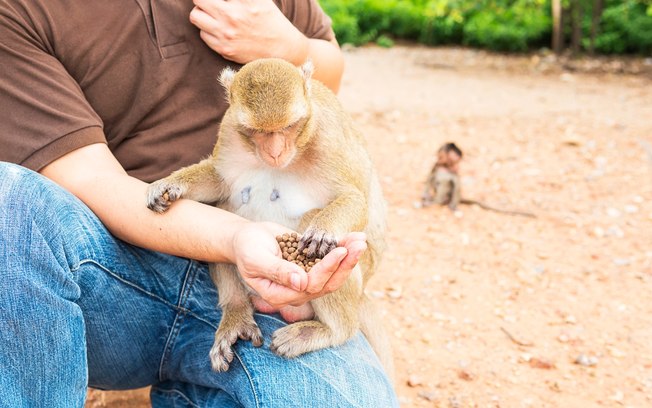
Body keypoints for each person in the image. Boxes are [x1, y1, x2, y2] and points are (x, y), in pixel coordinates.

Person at [0, 0, 398, 406]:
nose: (276, 150)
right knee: (7, 197)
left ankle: (204, 386)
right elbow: (90, 178)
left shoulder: (310, 136)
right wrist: (232, 236)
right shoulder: (18, 11)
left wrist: (289, 46)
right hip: (113, 268)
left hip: (276, 277)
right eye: (258, 134)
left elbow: (328, 73)